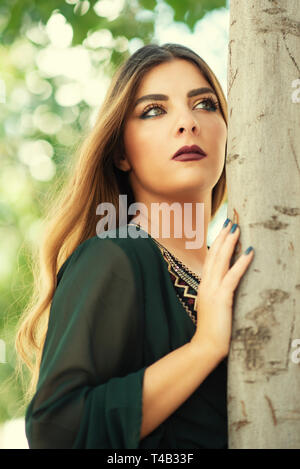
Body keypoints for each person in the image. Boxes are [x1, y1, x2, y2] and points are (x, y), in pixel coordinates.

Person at [15, 43, 254, 449]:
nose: (187, 122)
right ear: (122, 153)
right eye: (154, 110)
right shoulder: (114, 254)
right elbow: (54, 431)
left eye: (205, 104)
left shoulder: (239, 262)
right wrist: (205, 347)